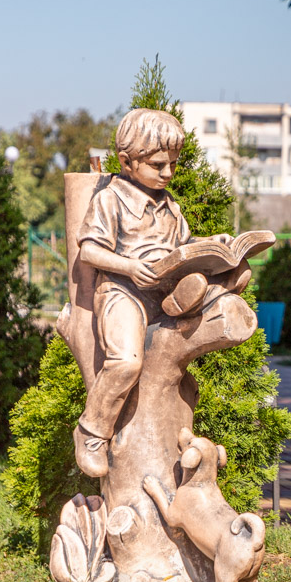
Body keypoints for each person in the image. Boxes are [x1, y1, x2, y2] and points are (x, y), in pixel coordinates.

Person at [73, 108, 245, 477]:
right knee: (126, 362)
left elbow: (181, 247)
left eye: (173, 164)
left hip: (163, 289)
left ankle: (201, 292)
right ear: (126, 162)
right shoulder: (111, 199)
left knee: (206, 275)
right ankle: (91, 432)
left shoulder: (170, 206)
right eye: (158, 165)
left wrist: (212, 244)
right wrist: (129, 266)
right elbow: (89, 251)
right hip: (123, 292)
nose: (167, 173)